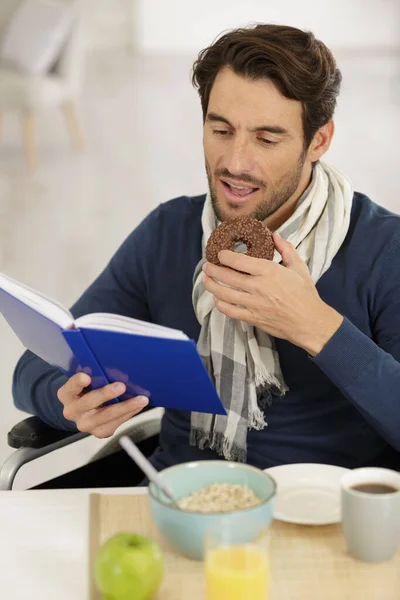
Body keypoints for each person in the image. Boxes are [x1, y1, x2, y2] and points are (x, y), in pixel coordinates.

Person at [12, 23, 400, 488]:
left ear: (318, 140)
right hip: (178, 499)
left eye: (267, 138)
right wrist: (66, 398)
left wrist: (316, 327)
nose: (235, 162)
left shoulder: (382, 249)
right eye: (221, 129)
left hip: (323, 515)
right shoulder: (168, 234)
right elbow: (35, 367)